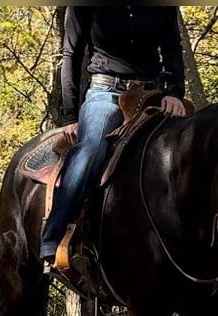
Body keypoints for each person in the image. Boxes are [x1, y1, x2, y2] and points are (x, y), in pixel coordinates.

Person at [40, 6, 187, 268]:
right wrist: (70, 116)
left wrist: (175, 92)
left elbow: (173, 49)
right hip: (106, 93)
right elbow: (71, 54)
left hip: (154, 95)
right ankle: (55, 236)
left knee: (192, 148)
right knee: (91, 150)